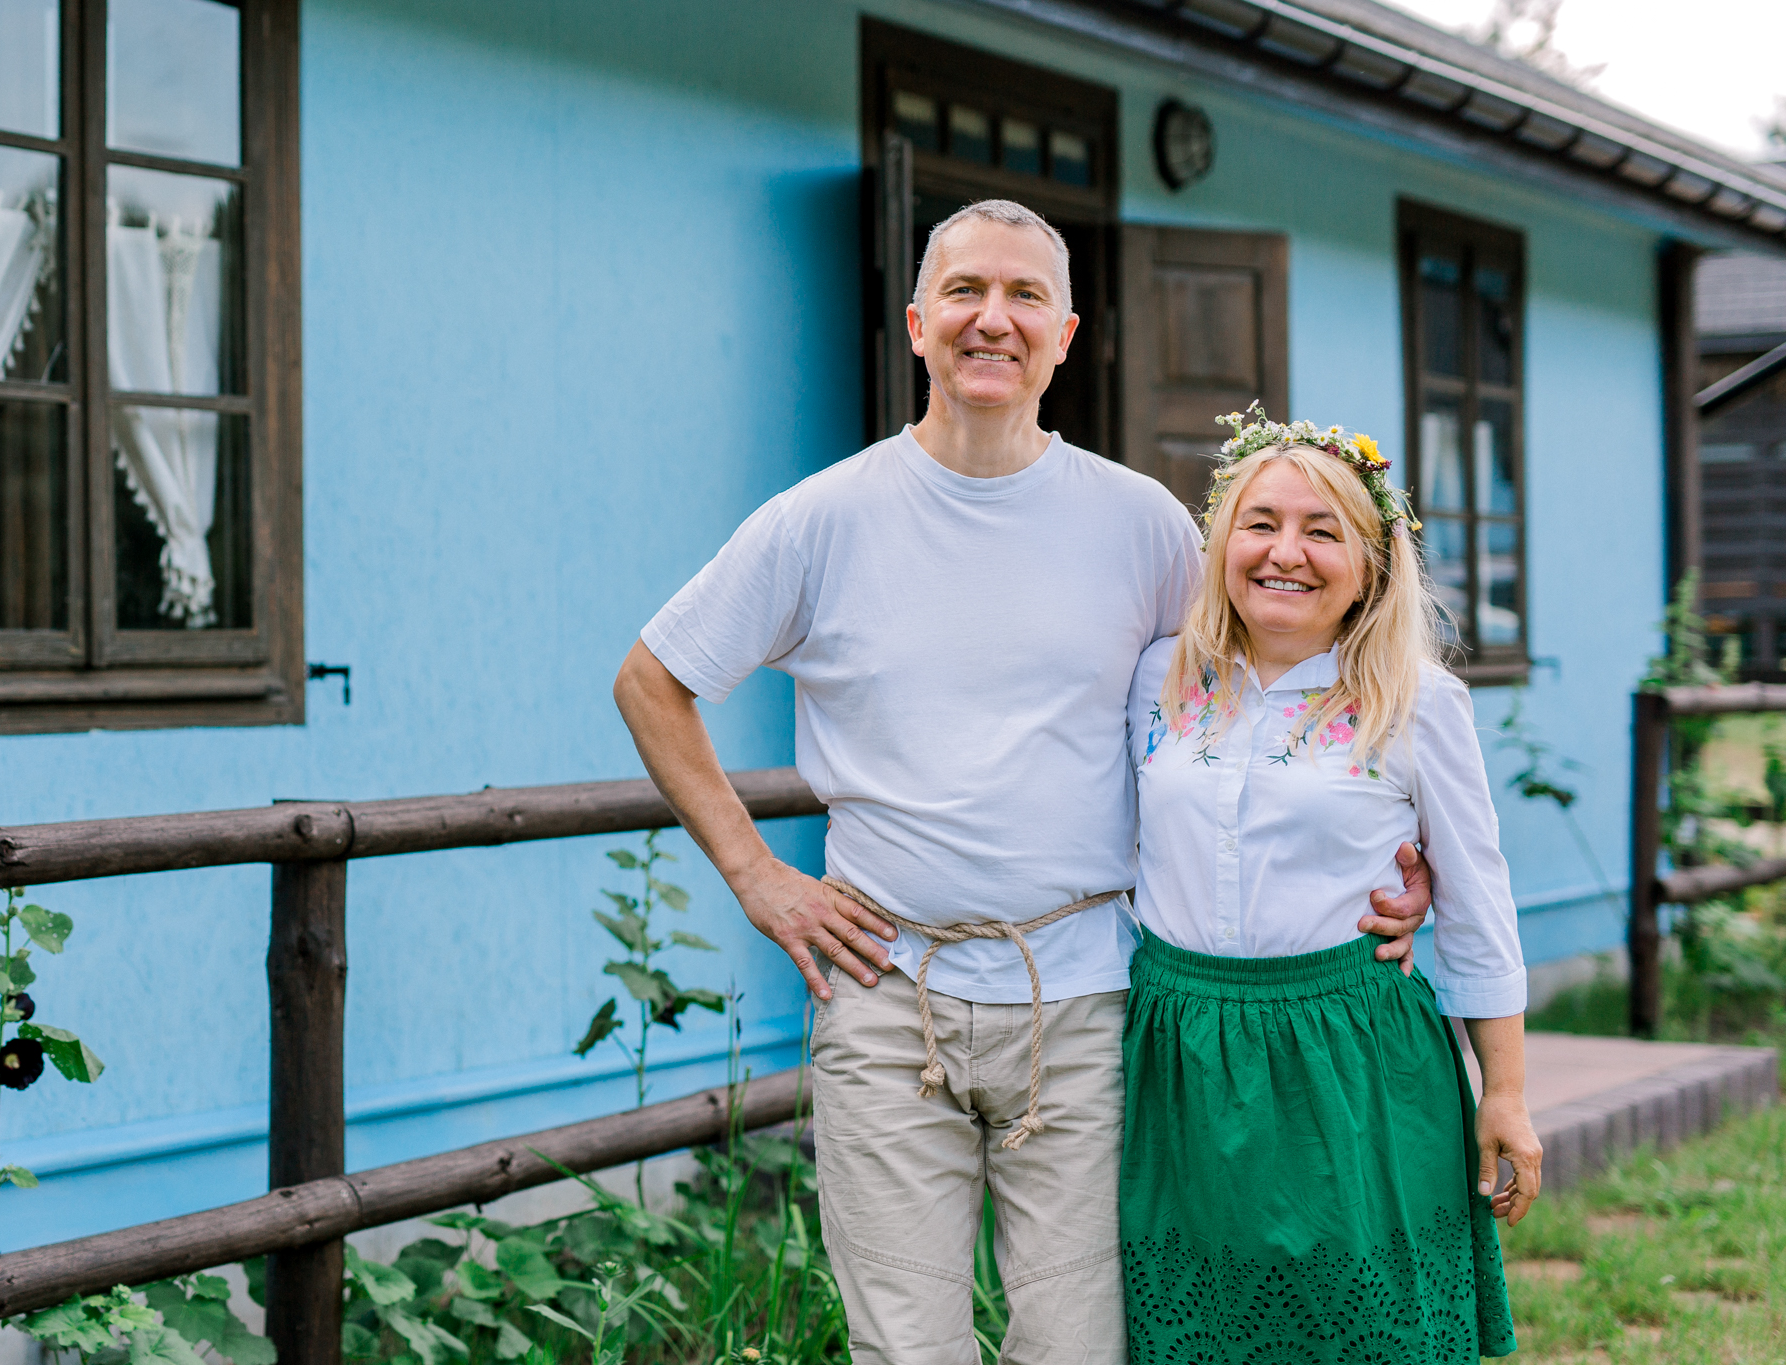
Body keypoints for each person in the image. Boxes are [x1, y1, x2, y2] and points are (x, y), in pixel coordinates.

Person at [612, 199, 1434, 1365]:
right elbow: (652, 681)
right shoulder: (821, 519)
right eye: (962, 292)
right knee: (906, 1349)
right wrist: (756, 875)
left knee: (1083, 1345)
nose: (990, 319)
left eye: (1021, 297)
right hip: (888, 992)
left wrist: (1397, 867)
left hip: (1091, 996)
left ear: (1065, 334)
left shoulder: (1141, 527)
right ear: (914, 323)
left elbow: (1254, 716)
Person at [1120, 409, 1542, 1364]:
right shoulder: (1157, 680)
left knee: (1357, 1329)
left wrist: (1505, 1092)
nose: (1287, 552)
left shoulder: (1418, 701)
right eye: (1261, 522)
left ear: (1372, 562)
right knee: (1189, 1331)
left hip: (1347, 1056)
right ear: (1222, 540)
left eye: (1323, 530)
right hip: (1179, 1051)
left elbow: (1478, 902)